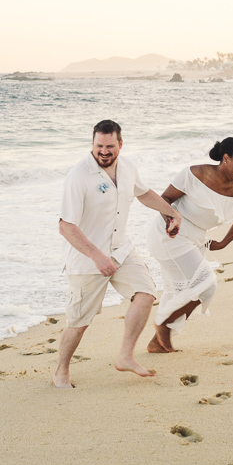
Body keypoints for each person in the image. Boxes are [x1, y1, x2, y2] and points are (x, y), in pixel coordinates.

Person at [54, 120, 182, 389]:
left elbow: (144, 193)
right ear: (92, 144)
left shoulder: (127, 167)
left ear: (120, 144)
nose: (104, 151)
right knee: (79, 322)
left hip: (121, 250)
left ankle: (125, 356)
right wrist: (97, 256)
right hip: (87, 259)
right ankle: (61, 372)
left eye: (110, 146)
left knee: (146, 294)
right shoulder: (79, 176)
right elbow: (66, 226)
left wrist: (171, 212)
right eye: (99, 146)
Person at [146, 137, 233, 353]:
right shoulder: (194, 174)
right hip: (169, 235)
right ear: (225, 158)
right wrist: (171, 220)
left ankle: (157, 342)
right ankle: (164, 325)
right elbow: (164, 199)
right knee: (207, 284)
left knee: (184, 290)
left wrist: (222, 243)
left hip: (195, 241)